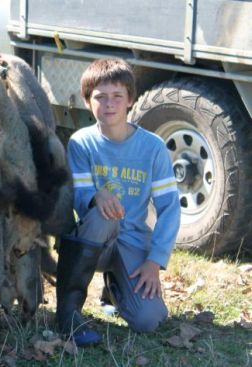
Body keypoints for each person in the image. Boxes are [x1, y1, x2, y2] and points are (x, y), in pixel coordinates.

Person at [56, 58, 181, 347]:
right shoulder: (80, 143)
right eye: (100, 97)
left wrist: (155, 261)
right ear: (88, 102)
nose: (109, 104)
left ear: (130, 101)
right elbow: (79, 197)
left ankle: (115, 289)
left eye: (117, 97)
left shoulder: (153, 147)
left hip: (133, 243)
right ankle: (68, 312)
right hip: (93, 240)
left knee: (150, 319)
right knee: (105, 213)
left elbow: (170, 209)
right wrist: (94, 196)